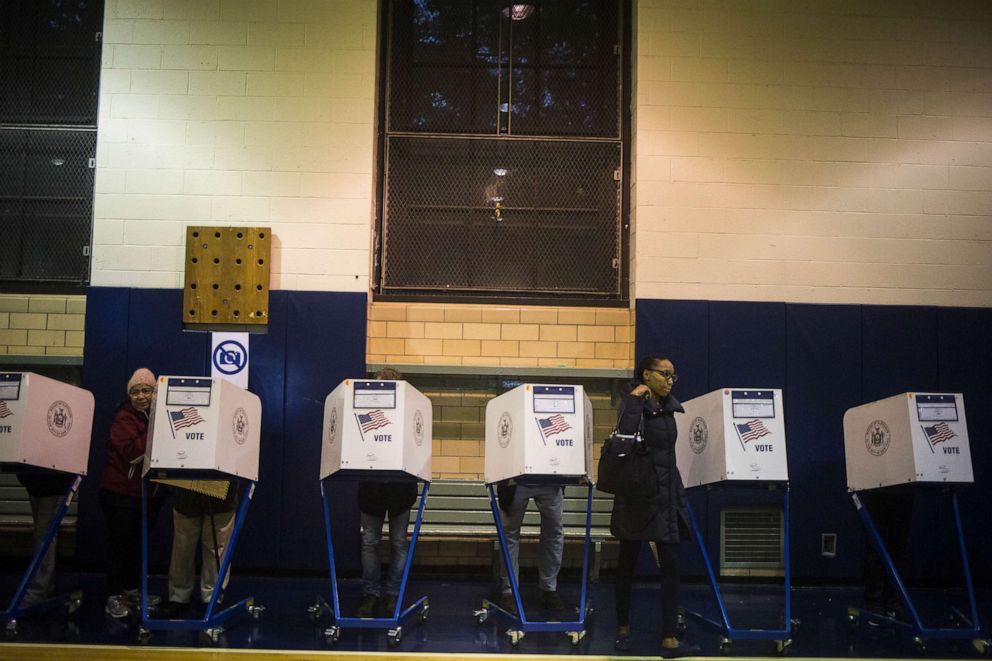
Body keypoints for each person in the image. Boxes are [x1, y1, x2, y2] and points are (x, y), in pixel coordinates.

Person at [610, 355, 697, 657]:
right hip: (636, 496)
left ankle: (669, 637)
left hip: (665, 496)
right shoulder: (631, 404)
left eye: (673, 375)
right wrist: (635, 402)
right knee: (627, 563)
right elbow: (622, 443)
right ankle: (622, 626)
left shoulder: (667, 409)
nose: (670, 380)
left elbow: (667, 457)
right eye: (664, 374)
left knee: (671, 565)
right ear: (647, 375)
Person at [98, 367, 165, 619]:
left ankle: (132, 590)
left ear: (155, 393)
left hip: (149, 495)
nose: (140, 396)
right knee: (120, 547)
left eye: (146, 390)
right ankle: (114, 596)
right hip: (120, 495)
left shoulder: (153, 416)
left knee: (138, 546)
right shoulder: (124, 418)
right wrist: (159, 426)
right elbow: (134, 453)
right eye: (135, 392)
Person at [355, 367, 419, 618]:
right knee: (390, 544)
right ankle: (384, 594)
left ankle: (383, 594)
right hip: (382, 488)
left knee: (379, 544)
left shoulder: (363, 412)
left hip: (390, 488)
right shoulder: (408, 411)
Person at [162, 483, 238, 618]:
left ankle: (191, 596)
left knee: (193, 543)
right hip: (195, 483)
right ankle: (206, 596)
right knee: (186, 544)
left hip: (208, 482)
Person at [495, 478, 565, 613]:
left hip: (549, 479)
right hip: (516, 480)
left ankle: (548, 589)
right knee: (509, 534)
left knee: (553, 533)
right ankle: (510, 591)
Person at [15, 470, 74, 606]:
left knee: (44, 537)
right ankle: (43, 588)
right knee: (44, 535)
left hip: (50, 482)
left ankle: (38, 592)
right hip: (40, 481)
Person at [860, 487, 913, 622]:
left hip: (904, 488)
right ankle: (875, 604)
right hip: (874, 487)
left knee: (899, 547)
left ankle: (894, 604)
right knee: (875, 548)